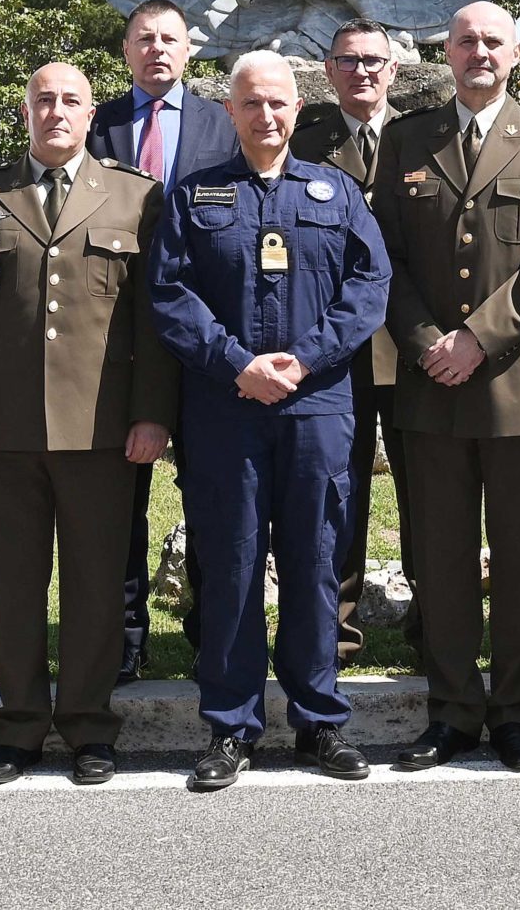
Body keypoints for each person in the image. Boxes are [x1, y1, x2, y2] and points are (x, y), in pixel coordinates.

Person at [0, 63, 175, 788]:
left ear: (91, 111)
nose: (56, 110)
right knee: (13, 585)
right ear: (25, 109)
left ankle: (91, 727)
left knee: (98, 587)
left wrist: (153, 411)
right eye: (44, 99)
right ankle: (20, 727)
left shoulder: (135, 195)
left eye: (70, 99)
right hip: (0, 432)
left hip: (103, 429)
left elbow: (153, 324)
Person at [149, 52, 389, 792]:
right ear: (230, 109)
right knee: (230, 562)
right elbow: (169, 293)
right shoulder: (193, 196)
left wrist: (305, 359)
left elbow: (369, 284)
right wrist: (235, 364)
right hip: (227, 408)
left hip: (316, 407)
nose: (267, 116)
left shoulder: (338, 192)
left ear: (297, 108)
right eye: (252, 103)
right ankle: (232, 724)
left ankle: (319, 719)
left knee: (317, 562)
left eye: (279, 103)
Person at [372, 1, 520, 773]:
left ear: (517, 52)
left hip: (515, 385)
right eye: (465, 41)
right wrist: (429, 342)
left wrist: (477, 340)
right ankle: (454, 709)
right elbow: (385, 257)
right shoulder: (406, 140)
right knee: (441, 554)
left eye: (493, 40)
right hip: (429, 383)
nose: (479, 52)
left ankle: (515, 709)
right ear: (447, 52)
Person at [89, 0, 239, 682]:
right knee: (121, 502)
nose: (156, 49)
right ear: (126, 51)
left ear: (190, 51)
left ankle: (212, 633)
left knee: (211, 492)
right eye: (143, 38)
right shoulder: (97, 125)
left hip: (207, 334)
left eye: (169, 38)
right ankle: (125, 640)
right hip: (118, 338)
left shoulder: (221, 123)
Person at [288, 18, 411, 665]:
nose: (362, 71)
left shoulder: (424, 140)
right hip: (334, 345)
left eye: (373, 61)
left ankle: (432, 626)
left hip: (414, 344)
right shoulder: (305, 144)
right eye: (348, 61)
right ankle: (335, 629)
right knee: (338, 489)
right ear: (329, 71)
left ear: (393, 70)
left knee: (424, 493)